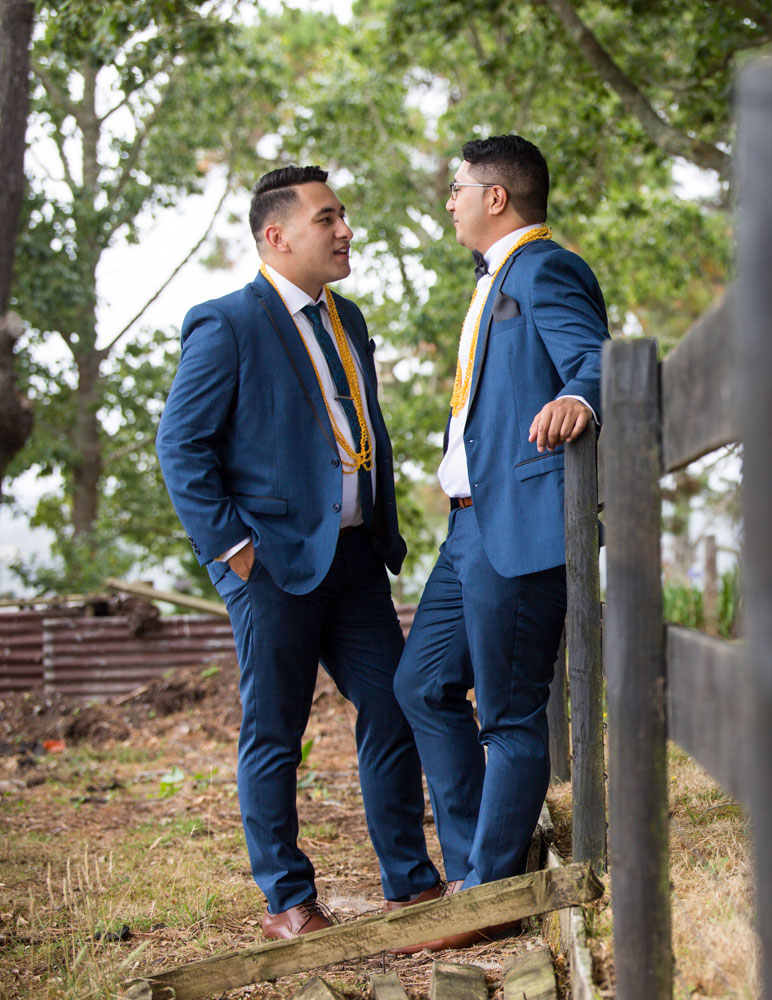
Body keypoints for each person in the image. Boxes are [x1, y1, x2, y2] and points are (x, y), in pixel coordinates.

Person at [156, 165, 443, 939]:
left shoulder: (346, 317)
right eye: (328, 218)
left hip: (355, 561)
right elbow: (181, 447)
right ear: (276, 236)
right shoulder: (225, 323)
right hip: (270, 562)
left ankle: (410, 882)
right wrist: (232, 550)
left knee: (395, 703)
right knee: (275, 730)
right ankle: (288, 899)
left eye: (343, 214)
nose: (346, 229)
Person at [391, 134, 608, 952]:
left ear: (495, 197)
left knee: (512, 714)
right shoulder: (490, 282)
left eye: (456, 188)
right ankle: (487, 860)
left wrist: (581, 399)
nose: (447, 201)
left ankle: (487, 893)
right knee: (422, 686)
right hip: (467, 525)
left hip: (519, 523)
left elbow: (592, 357)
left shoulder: (546, 268)